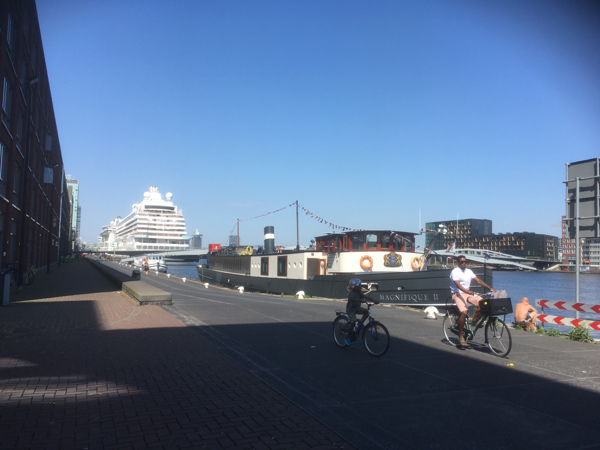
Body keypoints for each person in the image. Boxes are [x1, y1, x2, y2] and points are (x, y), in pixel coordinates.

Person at [450, 256, 494, 346]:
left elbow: (478, 281)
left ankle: (473, 321)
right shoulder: (455, 271)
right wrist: (466, 291)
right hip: (457, 294)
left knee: (483, 304)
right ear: (458, 263)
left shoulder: (469, 271)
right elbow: (457, 284)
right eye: (461, 262)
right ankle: (461, 335)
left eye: (465, 262)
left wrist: (489, 287)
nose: (464, 263)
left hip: (467, 294)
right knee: (465, 312)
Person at [345, 278, 379, 345]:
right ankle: (347, 337)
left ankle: (360, 323)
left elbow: (366, 297)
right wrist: (359, 300)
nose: (361, 286)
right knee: (353, 323)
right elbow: (351, 299)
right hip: (350, 310)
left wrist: (374, 301)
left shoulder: (359, 292)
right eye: (359, 285)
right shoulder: (351, 293)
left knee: (366, 311)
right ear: (355, 287)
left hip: (357, 308)